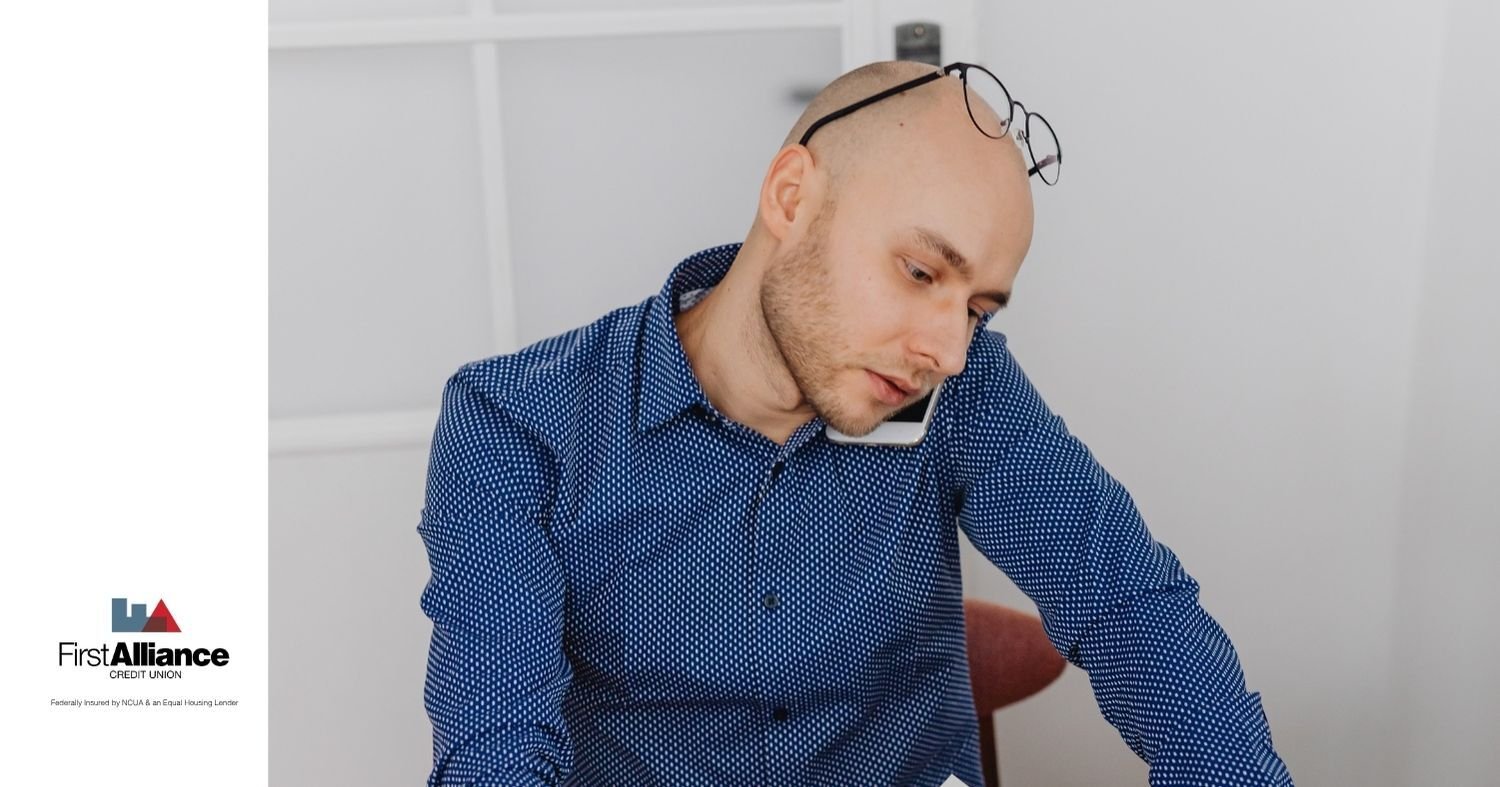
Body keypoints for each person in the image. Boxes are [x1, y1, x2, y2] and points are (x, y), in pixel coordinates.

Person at [416, 59, 1294, 786]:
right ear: (792, 198)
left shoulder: (961, 386)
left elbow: (1128, 603)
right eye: (920, 272)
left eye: (978, 309)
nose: (947, 349)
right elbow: (495, 747)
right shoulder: (514, 422)